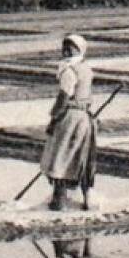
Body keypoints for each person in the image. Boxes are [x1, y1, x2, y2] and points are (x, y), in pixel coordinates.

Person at [38, 34, 96, 211]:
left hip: (70, 118)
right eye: (64, 47)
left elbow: (63, 98)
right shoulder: (85, 67)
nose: (66, 51)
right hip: (84, 118)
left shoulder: (68, 71)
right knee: (82, 158)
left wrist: (54, 117)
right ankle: (86, 200)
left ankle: (59, 201)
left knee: (61, 158)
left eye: (70, 48)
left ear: (80, 49)